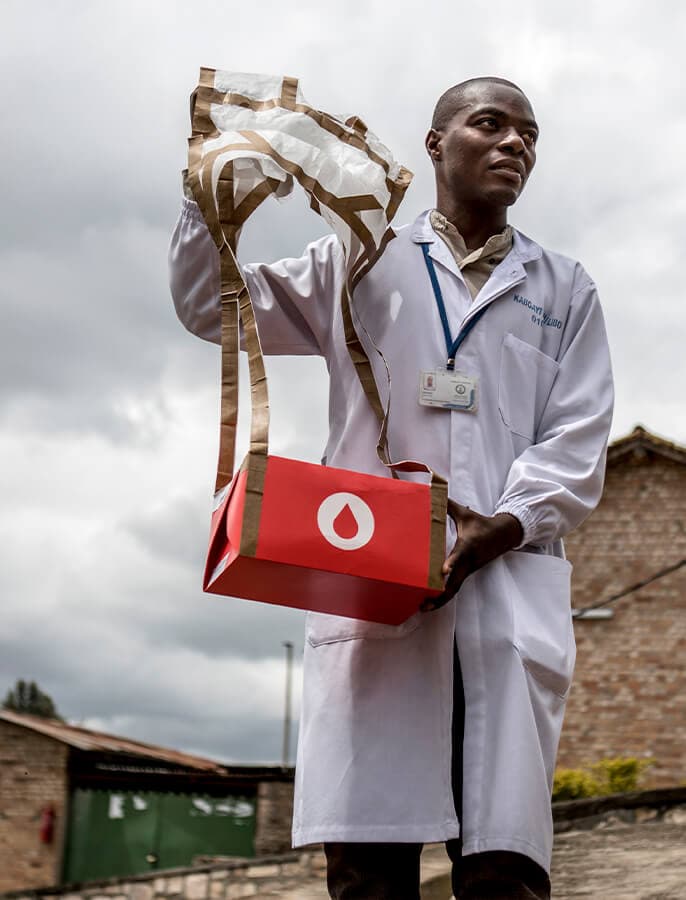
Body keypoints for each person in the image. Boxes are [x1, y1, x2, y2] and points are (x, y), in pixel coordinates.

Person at [169, 76, 614, 899]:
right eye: (491, 124)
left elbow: (578, 442)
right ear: (436, 143)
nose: (516, 143)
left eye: (530, 134)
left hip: (506, 596)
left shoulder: (565, 289)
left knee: (505, 874)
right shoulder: (357, 257)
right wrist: (207, 197)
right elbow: (211, 306)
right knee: (367, 874)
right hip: (374, 590)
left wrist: (500, 528)